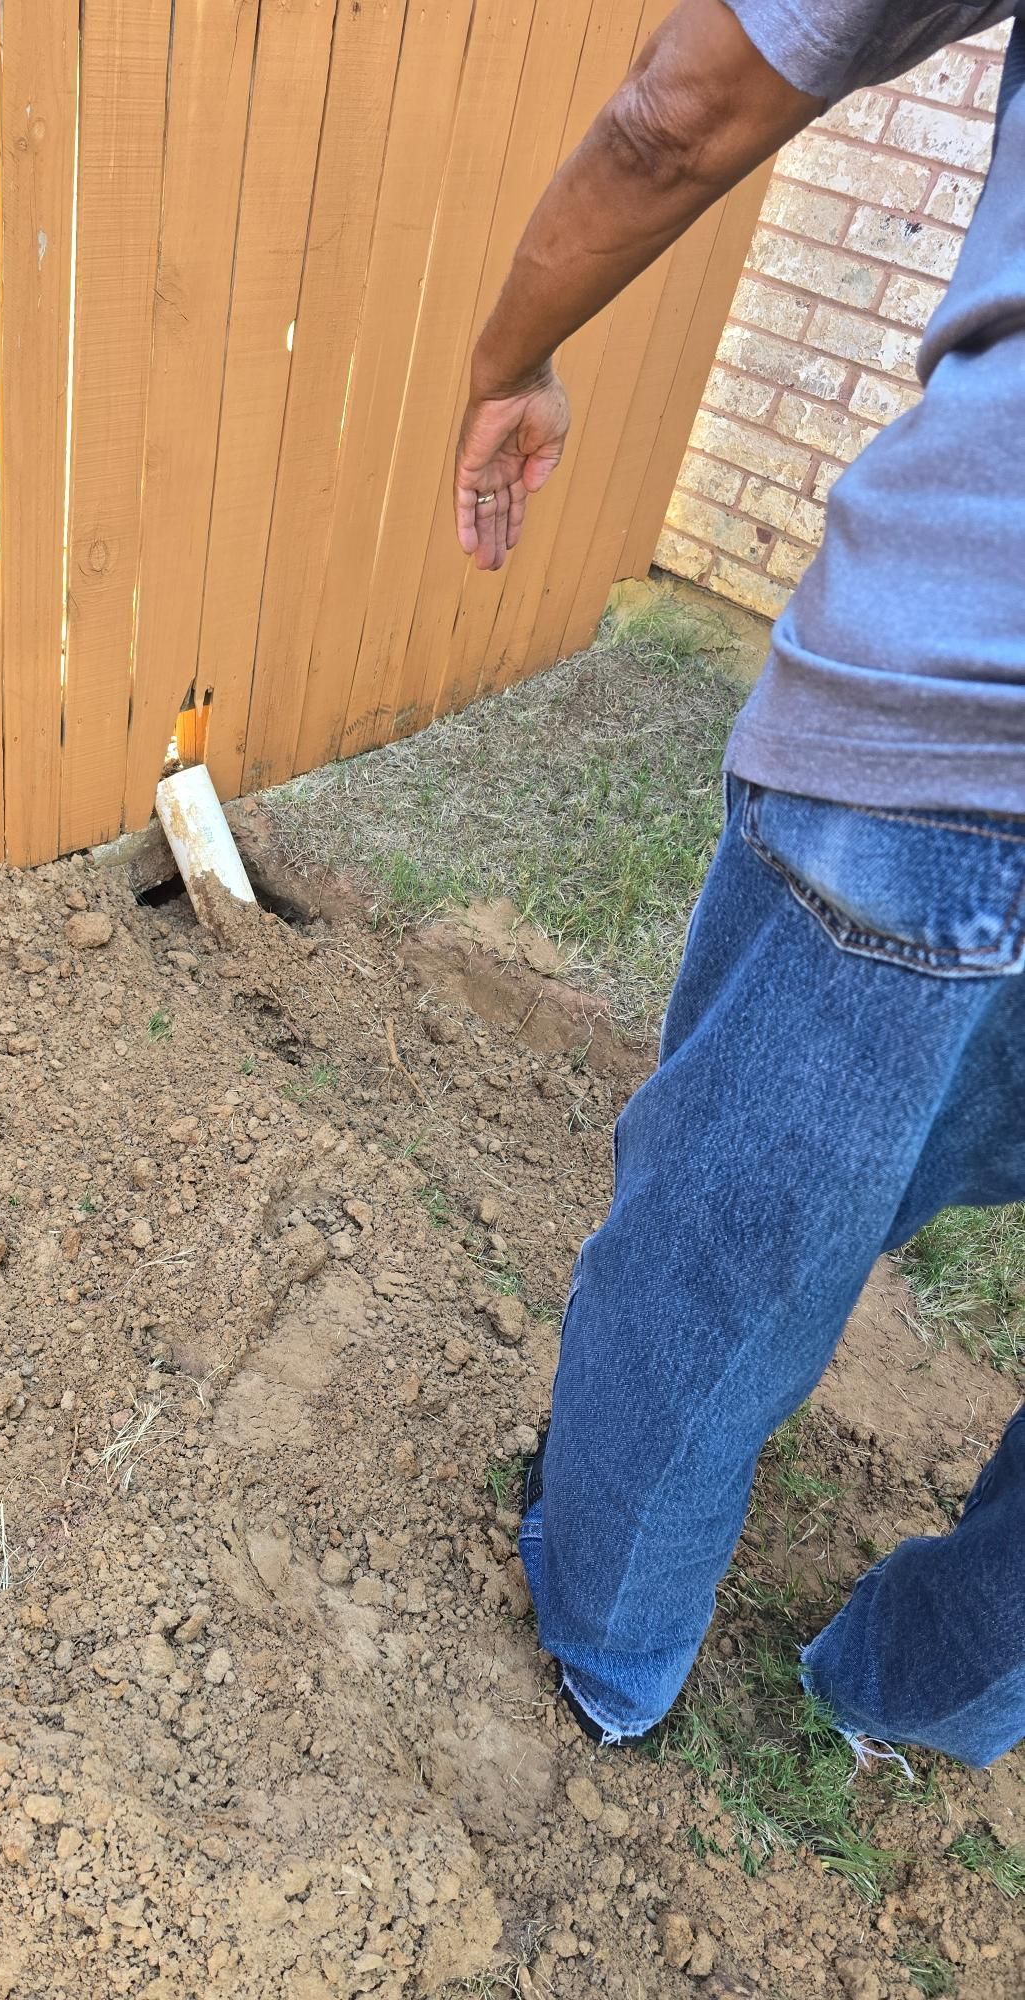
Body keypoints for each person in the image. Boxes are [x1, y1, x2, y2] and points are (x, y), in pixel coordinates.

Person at [453, 0, 1025, 1763]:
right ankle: (914, 1701)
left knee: (726, 1246)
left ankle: (606, 1651)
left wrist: (515, 354)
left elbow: (678, 111)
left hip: (960, 721)